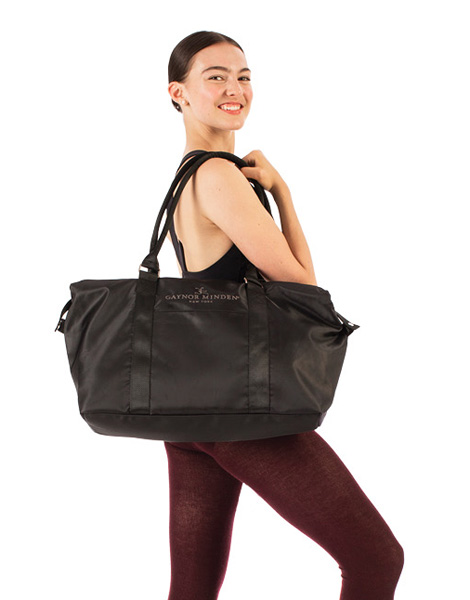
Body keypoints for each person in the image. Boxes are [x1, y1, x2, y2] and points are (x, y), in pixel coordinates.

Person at [164, 31, 404, 600]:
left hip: (190, 407)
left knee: (193, 588)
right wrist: (284, 194)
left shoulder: (186, 175)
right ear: (179, 93)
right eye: (215, 76)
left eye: (244, 76)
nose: (235, 89)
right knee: (376, 558)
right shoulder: (217, 175)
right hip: (239, 409)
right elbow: (302, 290)